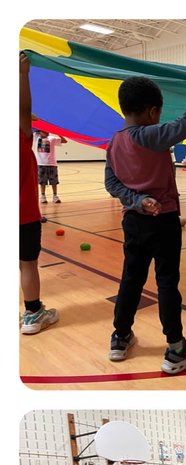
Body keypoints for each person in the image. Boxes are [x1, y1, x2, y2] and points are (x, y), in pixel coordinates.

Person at [105, 68, 186, 373]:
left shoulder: (113, 142)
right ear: (153, 111)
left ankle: (120, 336)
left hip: (133, 223)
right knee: (167, 282)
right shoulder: (151, 135)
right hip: (163, 221)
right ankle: (177, 347)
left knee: (131, 278)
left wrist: (137, 201)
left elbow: (111, 184)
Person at [19, 57, 59, 335]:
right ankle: (32, 314)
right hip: (23, 216)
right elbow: (24, 108)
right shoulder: (19, 138)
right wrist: (22, 74)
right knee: (27, 264)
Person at [34, 128, 66, 205]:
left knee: (54, 181)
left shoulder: (52, 138)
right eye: (44, 130)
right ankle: (43, 196)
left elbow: (64, 141)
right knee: (42, 181)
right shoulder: (36, 137)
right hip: (41, 163)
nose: (47, 132)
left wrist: (58, 132)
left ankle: (55, 196)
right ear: (40, 132)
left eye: (47, 130)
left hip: (52, 164)